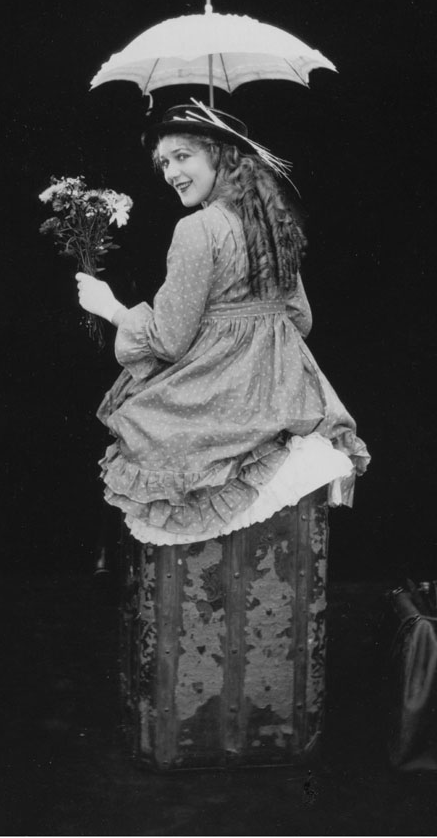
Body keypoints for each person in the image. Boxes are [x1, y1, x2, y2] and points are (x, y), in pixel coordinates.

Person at [76, 101, 370, 546]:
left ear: (220, 154)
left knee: (139, 424)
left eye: (182, 156)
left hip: (219, 394)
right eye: (163, 162)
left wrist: (110, 307)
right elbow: (300, 319)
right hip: (286, 394)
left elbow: (169, 341)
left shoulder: (199, 228)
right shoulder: (273, 225)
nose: (170, 172)